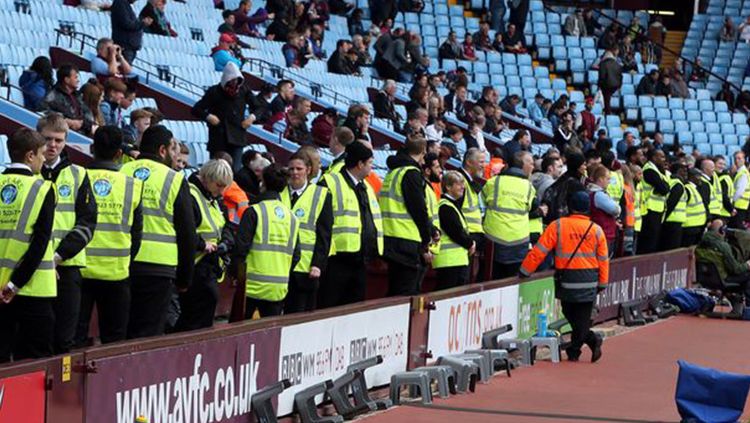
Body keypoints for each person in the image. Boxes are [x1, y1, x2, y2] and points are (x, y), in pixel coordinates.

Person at [120, 125, 196, 338]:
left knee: (119, 334)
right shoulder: (174, 178)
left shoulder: (121, 172)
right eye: (173, 150)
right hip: (158, 268)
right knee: (147, 335)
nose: (175, 156)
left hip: (120, 263)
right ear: (162, 150)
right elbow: (187, 233)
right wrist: (185, 278)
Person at [520, 191, 607, 363]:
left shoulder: (557, 225)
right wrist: (603, 282)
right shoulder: (596, 230)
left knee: (569, 312)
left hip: (567, 279)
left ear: (570, 207)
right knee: (581, 318)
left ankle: (576, 350)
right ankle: (587, 342)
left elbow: (539, 251)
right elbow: (603, 259)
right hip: (589, 280)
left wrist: (525, 270)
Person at [75, 126, 142, 346]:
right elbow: (137, 234)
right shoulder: (133, 186)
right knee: (114, 341)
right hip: (116, 273)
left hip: (79, 271)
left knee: (75, 338)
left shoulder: (77, 178)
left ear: (92, 148)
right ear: (119, 154)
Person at [36, 114, 97, 353]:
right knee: (34, 339)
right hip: (31, 267)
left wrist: (58, 256)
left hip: (67, 266)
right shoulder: (28, 173)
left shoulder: (78, 174)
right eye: (48, 139)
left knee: (64, 340)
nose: (53, 145)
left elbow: (87, 222)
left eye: (59, 140)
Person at [0, 128, 57, 363]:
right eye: (42, 153)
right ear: (30, 156)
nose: (45, 159)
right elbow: (40, 244)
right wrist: (15, 284)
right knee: (34, 361)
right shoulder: (42, 188)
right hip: (32, 289)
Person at [318, 141, 382, 307]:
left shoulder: (365, 186)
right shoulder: (330, 182)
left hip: (360, 259)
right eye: (370, 164)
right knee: (330, 307)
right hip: (336, 259)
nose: (371, 168)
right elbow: (321, 222)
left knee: (353, 309)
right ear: (360, 164)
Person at [232, 164, 299, 318]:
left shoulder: (254, 211)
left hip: (250, 289)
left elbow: (240, 249)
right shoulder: (292, 217)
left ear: (262, 183)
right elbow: (296, 255)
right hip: (278, 290)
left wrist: (236, 275)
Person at [174, 159, 234, 331]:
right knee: (196, 314)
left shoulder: (213, 198)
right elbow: (184, 229)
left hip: (209, 264)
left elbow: (226, 225)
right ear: (207, 178)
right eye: (219, 185)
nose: (222, 191)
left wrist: (225, 243)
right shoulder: (191, 195)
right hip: (194, 263)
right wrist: (202, 244)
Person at [381, 136, 439, 296]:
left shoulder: (393, 172)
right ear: (423, 152)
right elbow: (418, 209)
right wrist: (427, 236)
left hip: (390, 237)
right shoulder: (411, 173)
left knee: (395, 290)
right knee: (405, 294)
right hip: (406, 240)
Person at [281, 152, 332, 313]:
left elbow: (324, 234)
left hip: (306, 268)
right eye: (292, 169)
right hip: (280, 265)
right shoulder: (279, 193)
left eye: (299, 168)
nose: (295, 172)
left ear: (308, 170)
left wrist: (317, 264)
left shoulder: (321, 194)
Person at [483, 151, 539, 279]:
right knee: (513, 282)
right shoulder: (529, 187)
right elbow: (533, 206)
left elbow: (484, 198)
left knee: (492, 281)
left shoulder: (493, 182)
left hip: (493, 238)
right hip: (518, 240)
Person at [191, 62, 258, 168]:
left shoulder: (244, 90)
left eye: (237, 80)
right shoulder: (214, 91)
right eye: (232, 80)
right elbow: (196, 109)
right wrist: (209, 117)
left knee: (234, 171)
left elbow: (259, 107)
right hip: (218, 138)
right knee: (217, 169)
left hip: (237, 137)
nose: (235, 83)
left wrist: (252, 117)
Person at [695, 219, 750, 307]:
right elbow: (736, 269)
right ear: (722, 231)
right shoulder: (724, 246)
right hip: (721, 280)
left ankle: (735, 300)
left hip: (704, 279)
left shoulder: (700, 244)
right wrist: (747, 265)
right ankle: (748, 308)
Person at [41, 64, 95, 137]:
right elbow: (43, 112)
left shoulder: (77, 95)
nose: (78, 80)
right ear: (66, 80)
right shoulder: (52, 96)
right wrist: (66, 121)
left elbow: (87, 112)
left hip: (83, 132)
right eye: (75, 77)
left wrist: (84, 124)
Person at [637, 149, 670, 254]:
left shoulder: (657, 170)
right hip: (650, 209)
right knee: (649, 241)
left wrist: (664, 186)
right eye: (661, 157)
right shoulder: (649, 170)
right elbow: (664, 189)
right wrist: (663, 186)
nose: (664, 160)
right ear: (654, 158)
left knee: (653, 240)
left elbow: (666, 187)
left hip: (656, 209)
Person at [587, 164, 620, 255]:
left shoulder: (591, 192)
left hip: (600, 235)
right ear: (600, 179)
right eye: (607, 179)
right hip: (603, 235)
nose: (609, 182)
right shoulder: (599, 195)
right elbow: (615, 209)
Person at [661, 161, 688, 251]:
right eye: (684, 171)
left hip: (672, 222)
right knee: (672, 250)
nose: (686, 174)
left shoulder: (671, 182)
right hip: (673, 223)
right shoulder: (678, 185)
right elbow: (670, 204)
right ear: (679, 171)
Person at [682, 168, 709, 247]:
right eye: (698, 176)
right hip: (689, 227)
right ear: (692, 177)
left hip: (698, 226)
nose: (700, 178)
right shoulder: (687, 189)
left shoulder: (695, 188)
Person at [598, 46, 622, 115]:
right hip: (616, 85)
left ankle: (607, 114)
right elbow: (620, 76)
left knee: (606, 101)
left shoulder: (603, 64)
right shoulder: (617, 64)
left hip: (607, 85)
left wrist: (600, 85)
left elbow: (602, 76)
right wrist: (619, 85)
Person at [732, 151, 750, 229]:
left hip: (739, 205)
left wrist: (732, 201)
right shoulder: (741, 172)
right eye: (735, 158)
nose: (737, 160)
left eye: (739, 158)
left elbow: (739, 191)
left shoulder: (743, 173)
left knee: (737, 229)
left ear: (744, 160)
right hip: (741, 205)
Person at [714, 156, 735, 221]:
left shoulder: (722, 179)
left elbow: (724, 196)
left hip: (722, 212)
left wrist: (731, 209)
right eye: (720, 163)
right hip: (724, 212)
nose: (722, 166)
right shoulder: (726, 177)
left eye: (724, 164)